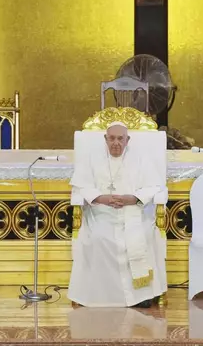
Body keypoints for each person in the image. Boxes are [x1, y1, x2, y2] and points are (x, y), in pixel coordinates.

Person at [68, 121, 167, 307]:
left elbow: (154, 186)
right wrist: (103, 198)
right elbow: (81, 186)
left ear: (127, 140)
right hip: (101, 212)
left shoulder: (140, 158)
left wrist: (132, 198)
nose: (116, 143)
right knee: (99, 237)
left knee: (141, 235)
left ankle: (140, 296)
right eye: (112, 138)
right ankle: (100, 296)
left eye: (120, 139)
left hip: (133, 211)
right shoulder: (92, 158)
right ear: (105, 139)